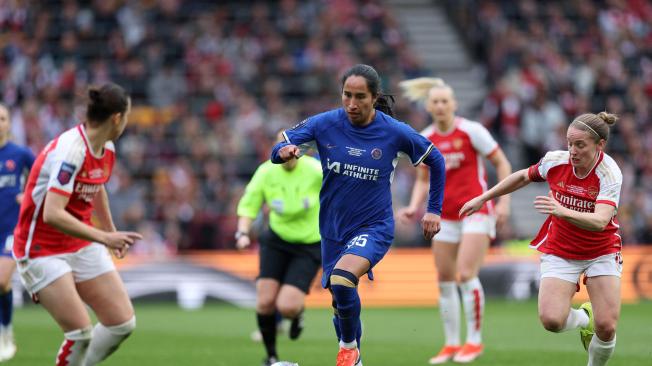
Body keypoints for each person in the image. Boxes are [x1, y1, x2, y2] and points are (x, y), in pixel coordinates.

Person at [271, 64, 446, 366]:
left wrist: (433, 210)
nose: (352, 104)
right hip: (332, 230)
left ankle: (348, 349)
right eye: (346, 95)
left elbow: (437, 159)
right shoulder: (325, 124)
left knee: (342, 279)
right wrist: (283, 152)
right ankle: (356, 359)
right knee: (339, 301)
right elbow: (281, 143)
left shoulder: (394, 132)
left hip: (374, 226)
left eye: (360, 97)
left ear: (374, 97)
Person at [460, 112, 623, 366]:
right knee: (552, 321)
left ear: (599, 145)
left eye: (580, 145)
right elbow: (523, 176)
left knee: (607, 326)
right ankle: (583, 318)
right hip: (561, 249)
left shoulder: (609, 173)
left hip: (600, 251)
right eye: (569, 143)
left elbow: (601, 220)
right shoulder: (555, 161)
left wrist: (561, 211)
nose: (572, 150)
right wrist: (484, 197)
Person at [12, 83, 142, 366]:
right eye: (128, 116)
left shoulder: (106, 147)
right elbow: (52, 214)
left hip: (79, 242)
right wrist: (104, 239)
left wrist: (110, 230)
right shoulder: (71, 151)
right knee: (80, 333)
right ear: (117, 118)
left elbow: (97, 186)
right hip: (40, 248)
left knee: (121, 322)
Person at [396, 78, 512, 364]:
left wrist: (503, 202)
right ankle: (450, 344)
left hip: (475, 211)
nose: (440, 105)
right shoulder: (426, 138)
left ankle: (474, 342)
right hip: (443, 217)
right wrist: (414, 206)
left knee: (465, 274)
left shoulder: (472, 131)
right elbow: (423, 179)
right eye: (435, 101)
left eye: (445, 101)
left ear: (454, 104)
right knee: (445, 280)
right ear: (428, 106)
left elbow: (502, 163)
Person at [236, 130, 323, 366]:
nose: (286, 153)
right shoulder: (265, 172)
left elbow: (339, 193)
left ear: (299, 151)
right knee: (264, 302)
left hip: (309, 244)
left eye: (290, 148)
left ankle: (297, 314)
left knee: (287, 306)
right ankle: (271, 356)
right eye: (280, 149)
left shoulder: (316, 170)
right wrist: (242, 232)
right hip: (276, 240)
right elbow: (249, 204)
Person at [0, 103, 35, 361]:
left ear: (9, 123)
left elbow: (43, 178)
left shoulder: (20, 154)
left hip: (10, 229)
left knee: (1, 281)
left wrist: (29, 197)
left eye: (2, 118)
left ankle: (6, 331)